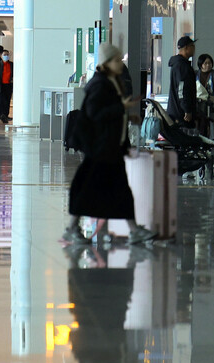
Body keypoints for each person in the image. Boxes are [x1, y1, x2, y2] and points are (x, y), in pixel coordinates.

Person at [62, 44, 157, 246]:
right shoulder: (100, 85)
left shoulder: (111, 82)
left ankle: (133, 230)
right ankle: (72, 228)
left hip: (110, 147)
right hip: (100, 148)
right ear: (105, 63)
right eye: (116, 60)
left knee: (119, 189)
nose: (120, 64)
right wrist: (121, 107)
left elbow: (108, 113)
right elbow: (96, 114)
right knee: (91, 188)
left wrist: (128, 116)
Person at [166, 36, 197, 125]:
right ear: (186, 48)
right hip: (181, 114)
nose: (194, 48)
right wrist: (186, 109)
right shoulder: (182, 66)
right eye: (192, 46)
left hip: (176, 111)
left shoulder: (177, 64)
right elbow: (181, 89)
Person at [195, 53, 214, 138]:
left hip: (213, 106)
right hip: (199, 106)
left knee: (213, 129)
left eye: (210, 63)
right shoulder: (196, 74)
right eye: (205, 63)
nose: (208, 65)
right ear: (201, 64)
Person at [0, 49, 14, 124]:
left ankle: (6, 115)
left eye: (7, 55)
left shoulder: (11, 64)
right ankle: (2, 115)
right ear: (1, 56)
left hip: (9, 84)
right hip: (1, 85)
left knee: (7, 100)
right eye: (4, 55)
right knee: (2, 101)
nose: (6, 56)